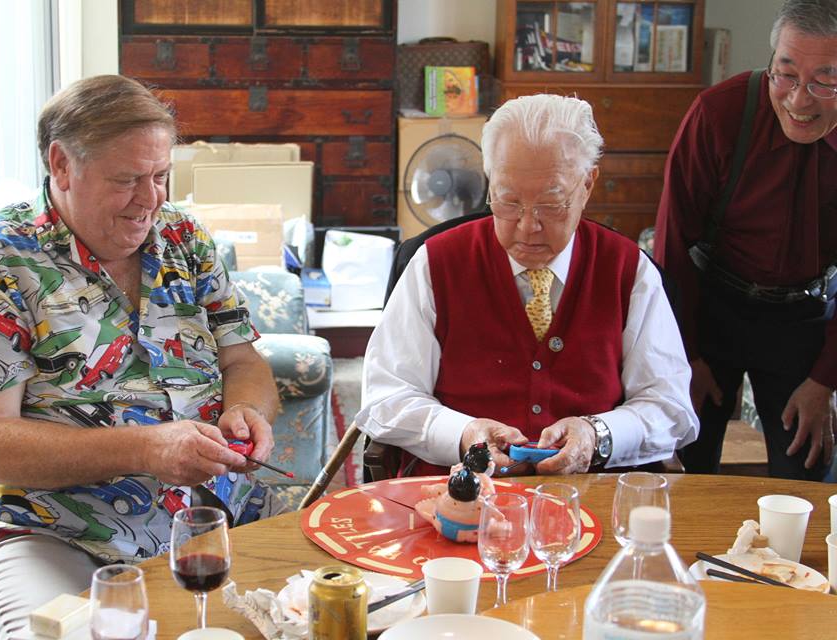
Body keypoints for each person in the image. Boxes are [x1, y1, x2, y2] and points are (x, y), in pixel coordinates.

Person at [0, 75, 281, 639]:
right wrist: (146, 449)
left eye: (160, 176)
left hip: (215, 514)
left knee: (333, 608)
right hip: (42, 527)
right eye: (127, 179)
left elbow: (243, 362)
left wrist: (248, 411)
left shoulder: (184, 239)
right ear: (62, 165)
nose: (151, 200)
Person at [357, 94, 699, 477]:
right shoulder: (435, 263)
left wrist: (597, 434)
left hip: (593, 496)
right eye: (508, 201)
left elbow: (670, 406)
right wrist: (463, 433)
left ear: (588, 184)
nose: (528, 226)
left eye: (551, 204)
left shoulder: (627, 269)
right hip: (457, 495)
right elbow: (386, 397)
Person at [654, 0, 837, 480]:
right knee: (687, 466)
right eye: (786, 75)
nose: (799, 101)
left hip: (803, 315)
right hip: (712, 303)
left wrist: (824, 380)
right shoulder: (721, 113)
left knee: (806, 472)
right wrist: (685, 355)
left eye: (824, 81)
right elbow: (672, 242)